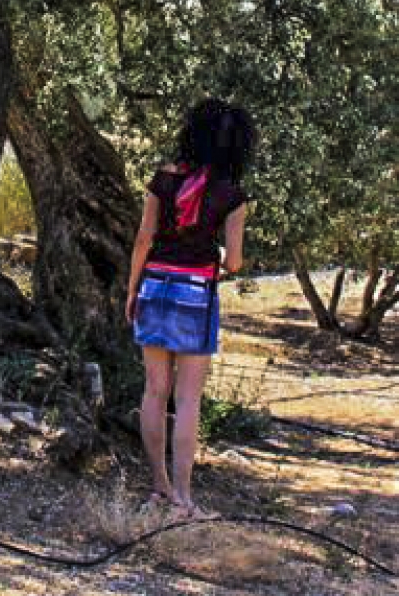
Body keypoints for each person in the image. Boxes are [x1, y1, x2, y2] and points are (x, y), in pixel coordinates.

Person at [124, 97, 255, 519]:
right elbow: (233, 262)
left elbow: (143, 240)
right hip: (196, 293)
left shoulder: (161, 180)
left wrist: (132, 291)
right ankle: (184, 498)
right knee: (188, 399)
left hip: (154, 286)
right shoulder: (232, 197)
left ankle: (158, 489)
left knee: (154, 390)